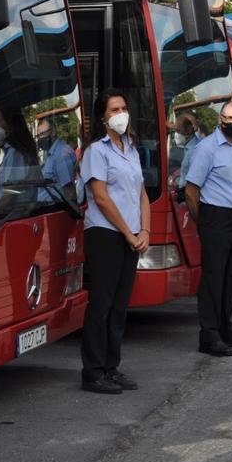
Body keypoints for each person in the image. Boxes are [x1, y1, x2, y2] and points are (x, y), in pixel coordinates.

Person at [78, 90, 149, 394]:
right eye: (114, 109)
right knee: (102, 304)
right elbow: (101, 197)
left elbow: (142, 193)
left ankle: (112, 366)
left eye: (123, 107)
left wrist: (145, 230)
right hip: (106, 234)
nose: (121, 113)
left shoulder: (130, 148)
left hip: (131, 234)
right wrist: (128, 233)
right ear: (103, 117)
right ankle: (93, 371)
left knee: (120, 305)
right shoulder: (97, 151)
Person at [185, 101, 232, 357]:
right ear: (219, 119)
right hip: (216, 216)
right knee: (214, 277)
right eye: (229, 118)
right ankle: (210, 335)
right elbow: (191, 189)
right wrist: (203, 222)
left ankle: (226, 327)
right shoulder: (207, 148)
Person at [0, 105, 39, 209]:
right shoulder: (12, 151)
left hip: (12, 215)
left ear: (10, 125)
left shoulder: (15, 153)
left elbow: (10, 191)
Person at [37, 116, 78, 203]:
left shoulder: (61, 154)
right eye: (38, 135)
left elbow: (70, 191)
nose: (40, 138)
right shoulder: (51, 153)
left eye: (43, 134)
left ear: (53, 132)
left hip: (54, 209)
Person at [174, 112, 204, 201]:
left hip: (190, 196)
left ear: (188, 131)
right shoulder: (188, 148)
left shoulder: (194, 150)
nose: (176, 134)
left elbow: (194, 181)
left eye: (178, 131)